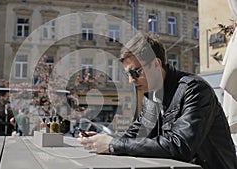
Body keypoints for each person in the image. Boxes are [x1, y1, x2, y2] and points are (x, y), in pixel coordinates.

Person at [78, 31, 237, 169]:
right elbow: (136, 134)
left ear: (156, 63)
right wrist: (101, 140)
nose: (131, 80)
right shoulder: (152, 95)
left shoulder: (194, 89)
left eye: (135, 73)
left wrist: (113, 145)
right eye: (128, 75)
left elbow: (180, 146)